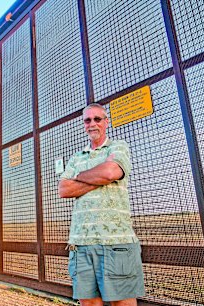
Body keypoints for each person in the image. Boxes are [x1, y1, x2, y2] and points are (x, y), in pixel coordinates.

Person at [58, 103, 144, 306]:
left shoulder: (118, 147)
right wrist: (97, 179)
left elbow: (110, 173)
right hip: (81, 243)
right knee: (88, 302)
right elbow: (64, 190)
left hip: (116, 240)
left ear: (106, 122)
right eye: (87, 120)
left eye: (97, 119)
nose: (92, 124)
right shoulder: (76, 158)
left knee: (121, 302)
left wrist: (78, 178)